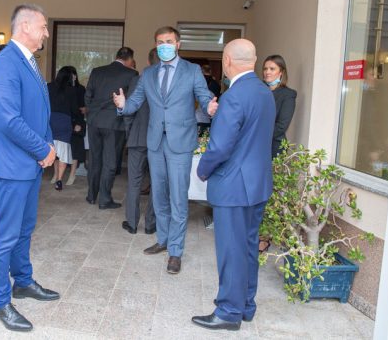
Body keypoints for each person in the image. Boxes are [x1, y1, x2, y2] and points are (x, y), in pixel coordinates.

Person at [113, 26, 217, 274]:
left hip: (180, 142)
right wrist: (123, 104)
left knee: (178, 198)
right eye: (160, 42)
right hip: (155, 142)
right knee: (158, 195)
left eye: (169, 41)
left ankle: (176, 251)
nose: (164, 46)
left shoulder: (192, 70)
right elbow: (135, 102)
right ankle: (163, 239)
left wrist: (210, 106)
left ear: (178, 44)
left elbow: (203, 96)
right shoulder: (148, 73)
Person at [0, 4, 59, 332]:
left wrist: (48, 146)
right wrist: (43, 149)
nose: (46, 33)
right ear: (25, 26)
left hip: (30, 161)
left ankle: (23, 281)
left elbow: (40, 112)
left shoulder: (28, 61)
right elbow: (9, 119)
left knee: (25, 228)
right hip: (13, 163)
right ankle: (0, 302)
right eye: (43, 27)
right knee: (6, 235)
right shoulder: (4, 63)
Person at [192, 39, 275, 331]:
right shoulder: (265, 92)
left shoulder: (233, 96)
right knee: (249, 247)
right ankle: (246, 305)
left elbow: (220, 147)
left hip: (233, 186)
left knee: (231, 250)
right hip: (257, 184)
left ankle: (228, 311)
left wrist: (202, 169)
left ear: (227, 60)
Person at [85, 47, 138, 209]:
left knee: (94, 159)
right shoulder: (132, 74)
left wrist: (92, 113)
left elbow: (87, 96)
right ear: (129, 59)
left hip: (94, 121)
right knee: (110, 161)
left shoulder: (97, 71)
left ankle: (91, 195)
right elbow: (132, 101)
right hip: (115, 123)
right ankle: (104, 199)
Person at [121, 47, 159, 235]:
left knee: (134, 181)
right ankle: (151, 224)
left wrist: (130, 133)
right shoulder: (170, 82)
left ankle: (132, 223)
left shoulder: (137, 80)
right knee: (157, 183)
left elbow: (129, 111)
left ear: (149, 61)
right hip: (160, 140)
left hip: (138, 136)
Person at [48, 66, 83, 191]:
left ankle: (55, 175)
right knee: (63, 151)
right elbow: (74, 109)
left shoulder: (49, 87)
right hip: (64, 121)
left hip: (50, 120)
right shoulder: (71, 90)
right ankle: (59, 180)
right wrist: (78, 122)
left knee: (53, 148)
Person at [263, 54, 297, 158]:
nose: (267, 72)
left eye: (272, 69)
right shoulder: (259, 91)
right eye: (265, 69)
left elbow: (281, 126)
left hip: (274, 147)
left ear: (281, 72)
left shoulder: (288, 95)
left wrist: (258, 136)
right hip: (254, 145)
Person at [62, 66, 86, 186]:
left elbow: (83, 107)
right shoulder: (61, 89)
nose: (73, 77)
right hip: (64, 121)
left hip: (77, 120)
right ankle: (58, 174)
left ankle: (72, 174)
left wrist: (79, 122)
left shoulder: (80, 89)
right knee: (62, 148)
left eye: (74, 75)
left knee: (75, 148)